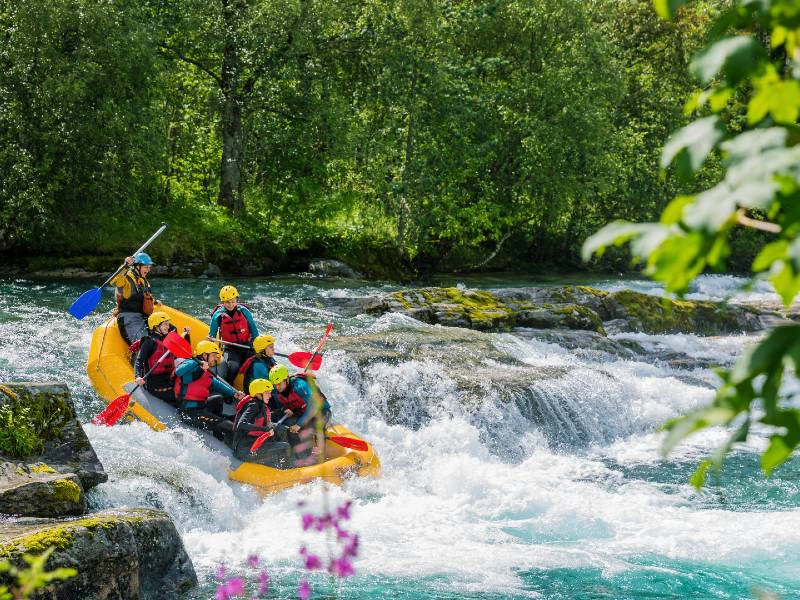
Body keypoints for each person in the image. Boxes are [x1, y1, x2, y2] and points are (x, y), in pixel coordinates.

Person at [174, 340, 245, 436]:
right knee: (230, 427)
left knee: (218, 398)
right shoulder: (191, 363)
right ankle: (220, 425)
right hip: (189, 413)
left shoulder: (206, 370)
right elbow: (178, 371)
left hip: (201, 407)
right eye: (213, 355)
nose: (215, 359)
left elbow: (216, 384)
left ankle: (217, 427)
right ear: (204, 355)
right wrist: (198, 363)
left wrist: (234, 393)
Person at [269, 364, 331, 457]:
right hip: (302, 412)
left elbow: (314, 406)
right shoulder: (277, 392)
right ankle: (297, 452)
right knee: (287, 424)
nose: (277, 387)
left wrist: (299, 425)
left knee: (312, 426)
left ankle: (319, 447)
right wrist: (286, 409)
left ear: (287, 380)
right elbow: (281, 407)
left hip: (321, 412)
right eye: (275, 385)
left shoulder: (300, 385)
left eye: (279, 384)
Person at [133, 311, 190, 406]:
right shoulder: (149, 341)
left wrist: (186, 335)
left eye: (168, 324)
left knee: (190, 388)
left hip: (169, 379)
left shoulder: (167, 339)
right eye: (165, 324)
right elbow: (139, 360)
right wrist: (137, 376)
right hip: (155, 384)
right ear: (156, 326)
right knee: (184, 396)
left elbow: (185, 352)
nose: (168, 327)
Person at [232, 379, 291, 468]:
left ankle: (283, 462)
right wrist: (265, 429)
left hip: (252, 443)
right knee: (284, 447)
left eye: (270, 393)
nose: (270, 396)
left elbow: (263, 420)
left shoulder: (258, 404)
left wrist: (282, 411)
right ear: (258, 393)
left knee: (282, 429)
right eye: (267, 393)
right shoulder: (253, 405)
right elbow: (241, 424)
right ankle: (285, 471)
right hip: (246, 450)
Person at [208, 285, 259, 384]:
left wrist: (257, 345)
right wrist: (211, 343)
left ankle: (251, 389)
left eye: (233, 301)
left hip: (247, 345)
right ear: (223, 302)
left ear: (237, 300)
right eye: (227, 302)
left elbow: (254, 329)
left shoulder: (244, 311)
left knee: (255, 365)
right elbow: (212, 334)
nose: (231, 305)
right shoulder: (218, 315)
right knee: (233, 367)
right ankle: (228, 389)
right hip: (230, 348)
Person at [112, 252, 156, 346]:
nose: (148, 270)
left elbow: (144, 297)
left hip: (142, 318)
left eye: (149, 267)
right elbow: (115, 281)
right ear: (137, 267)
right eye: (146, 267)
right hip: (129, 318)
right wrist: (125, 266)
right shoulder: (127, 278)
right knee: (144, 344)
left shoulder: (143, 280)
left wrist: (154, 301)